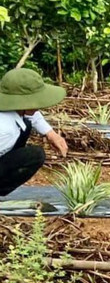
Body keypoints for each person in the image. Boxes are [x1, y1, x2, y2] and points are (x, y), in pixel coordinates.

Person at [0, 67, 68, 196]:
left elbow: (33, 115)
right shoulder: (6, 130)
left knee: (26, 125)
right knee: (34, 155)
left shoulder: (15, 110)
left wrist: (51, 134)